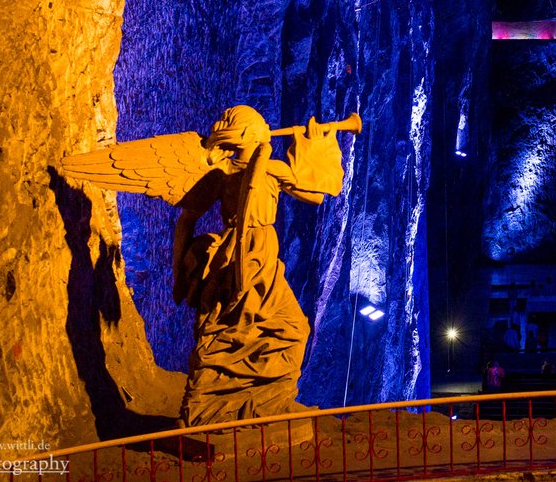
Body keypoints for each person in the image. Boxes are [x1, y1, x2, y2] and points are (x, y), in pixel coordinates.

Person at [63, 105, 355, 426]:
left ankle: (261, 402)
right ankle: (232, 406)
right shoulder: (239, 173)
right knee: (282, 329)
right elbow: (189, 217)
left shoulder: (259, 170)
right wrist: (179, 272)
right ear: (247, 136)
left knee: (265, 330)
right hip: (243, 258)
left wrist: (314, 141)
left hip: (256, 257)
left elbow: (311, 194)